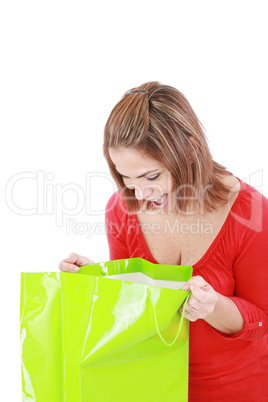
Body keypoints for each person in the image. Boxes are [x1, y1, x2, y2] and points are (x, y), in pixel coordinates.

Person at [59, 82, 268, 401]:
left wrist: (214, 306)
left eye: (151, 176)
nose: (139, 194)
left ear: (192, 149)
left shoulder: (250, 212)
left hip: (236, 389)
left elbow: (262, 319)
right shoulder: (122, 208)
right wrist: (98, 283)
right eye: (126, 177)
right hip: (151, 385)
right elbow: (134, 312)